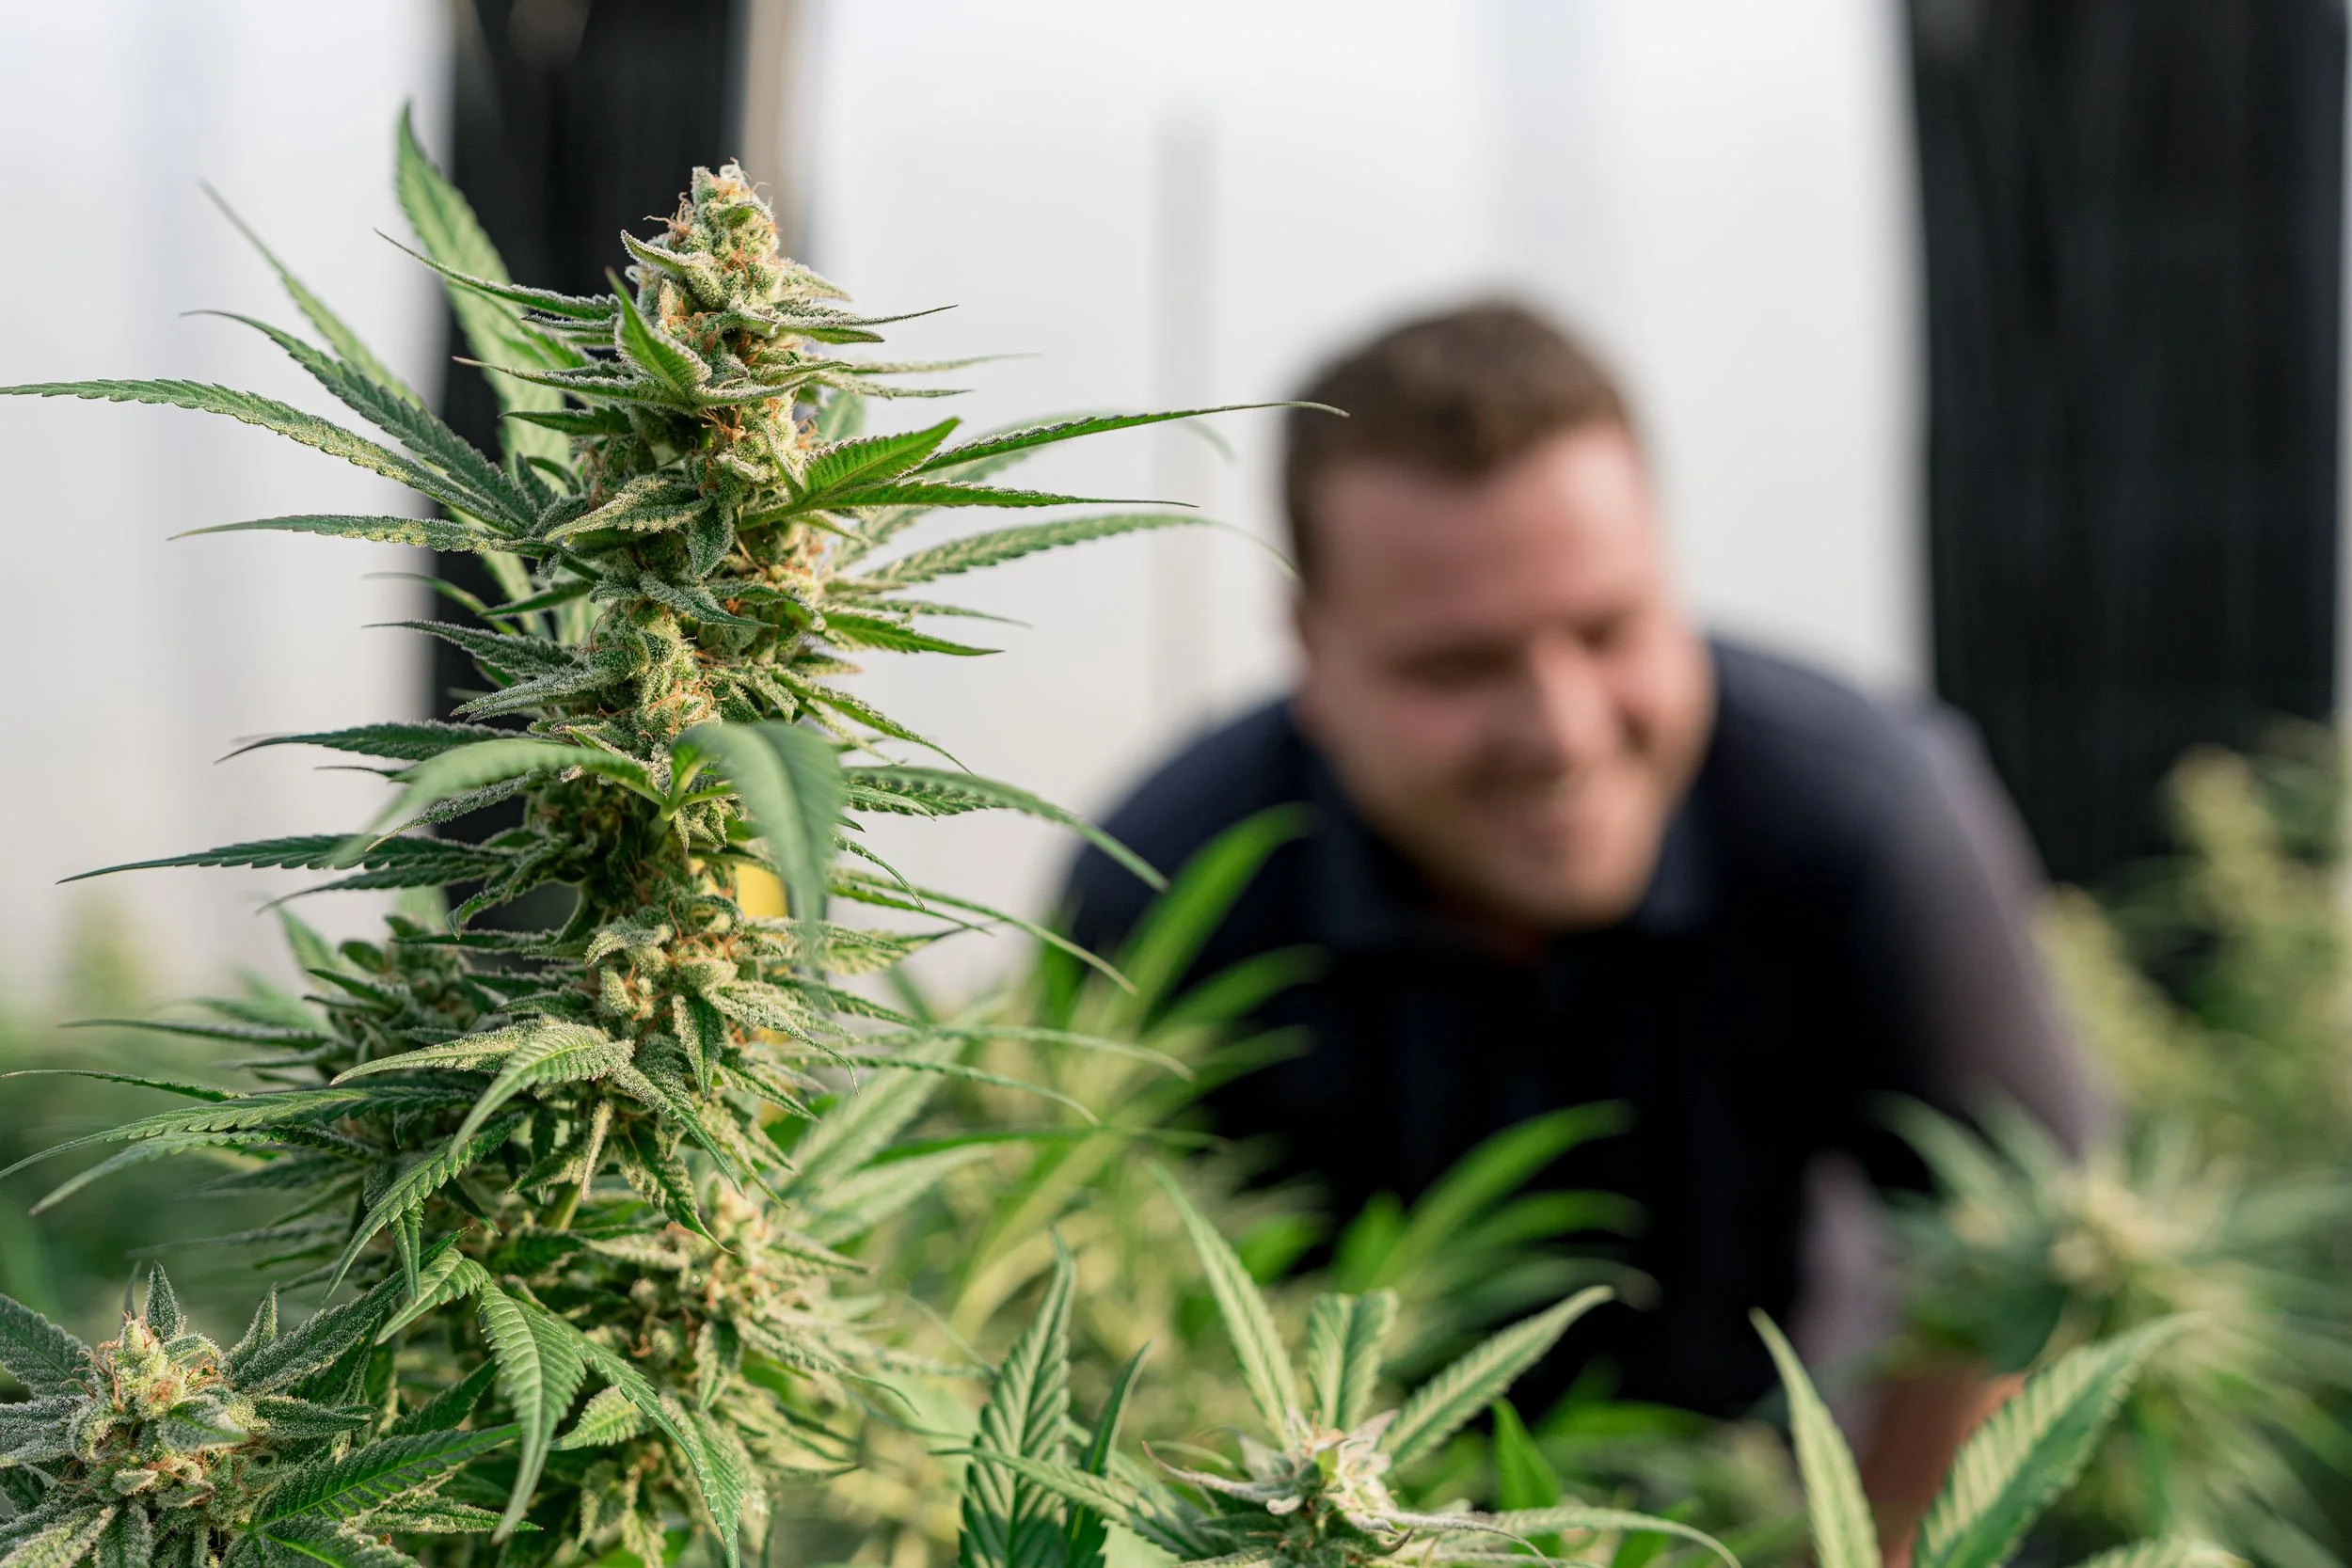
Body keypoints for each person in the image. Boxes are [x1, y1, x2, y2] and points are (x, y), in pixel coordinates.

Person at [1060, 302, 2106, 1541]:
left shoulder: (1862, 820)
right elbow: (1109, 1326)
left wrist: (1875, 1543)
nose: (1563, 729)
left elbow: (2024, 1251)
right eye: (1460, 667)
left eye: (1609, 630)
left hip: (1776, 1496)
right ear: (1313, 652)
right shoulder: (1169, 888)